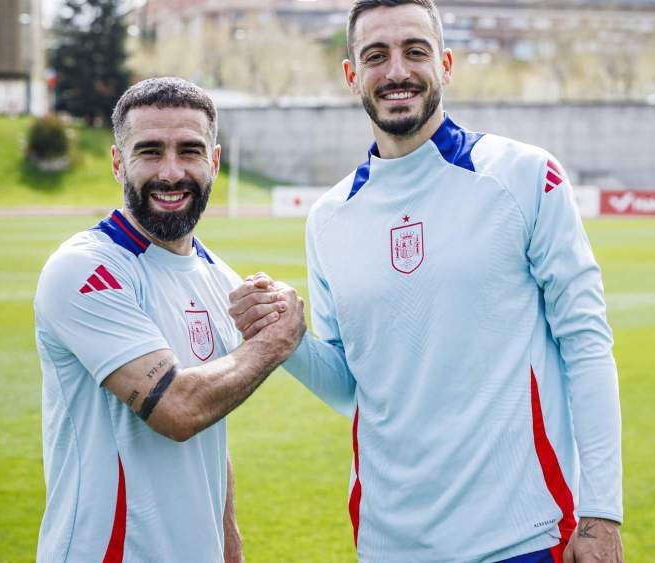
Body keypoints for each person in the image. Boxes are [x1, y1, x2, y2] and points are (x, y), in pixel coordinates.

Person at [229, 1, 623, 562]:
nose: (397, 71)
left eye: (415, 52)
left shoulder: (523, 175)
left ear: (446, 64)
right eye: (376, 56)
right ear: (352, 75)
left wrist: (602, 513)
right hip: (388, 543)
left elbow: (586, 344)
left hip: (521, 537)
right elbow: (348, 387)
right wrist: (287, 340)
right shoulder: (329, 217)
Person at [33, 77, 305, 562]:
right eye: (150, 151)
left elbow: (210, 423)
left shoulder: (218, 276)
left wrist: (229, 542)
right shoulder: (86, 269)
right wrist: (271, 343)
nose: (172, 172)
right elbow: (178, 410)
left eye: (189, 151)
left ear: (214, 162)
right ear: (118, 162)